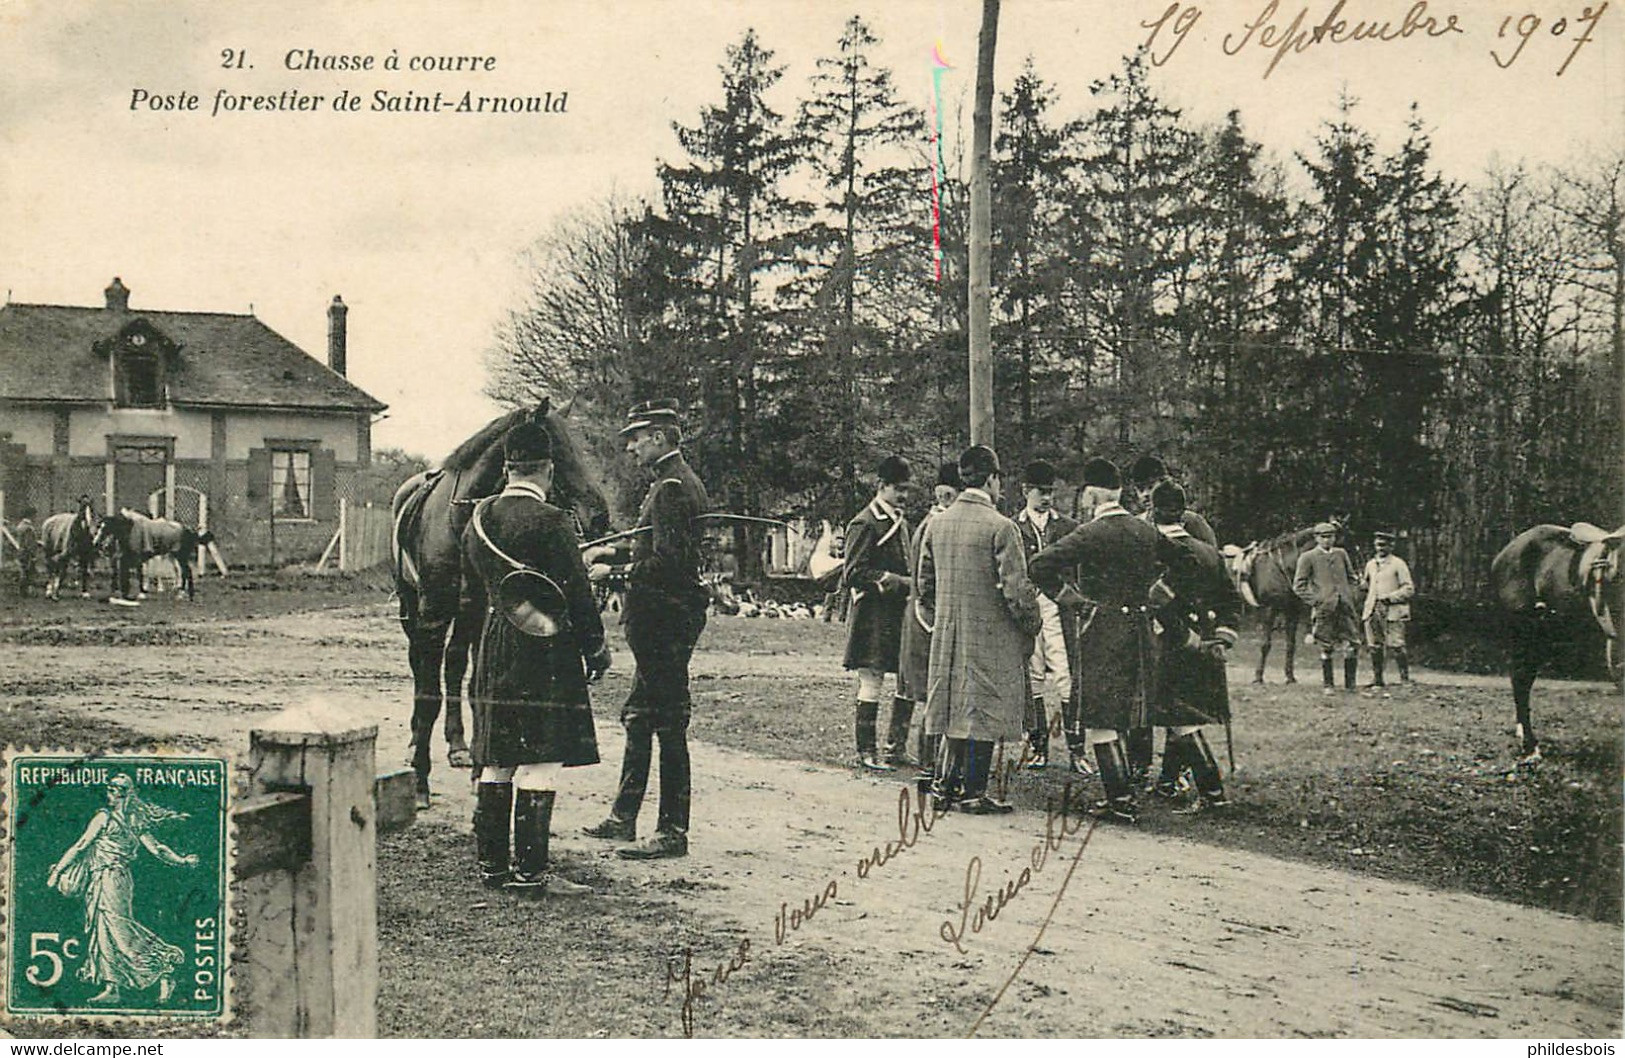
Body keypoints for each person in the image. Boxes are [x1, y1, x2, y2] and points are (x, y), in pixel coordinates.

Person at [462, 419, 610, 894]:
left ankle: (493, 870)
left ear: (508, 469)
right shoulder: (553, 522)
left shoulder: (479, 519)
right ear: (546, 469)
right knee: (540, 760)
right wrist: (597, 648)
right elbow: (579, 596)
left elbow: (472, 592)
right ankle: (531, 874)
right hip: (543, 647)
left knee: (497, 759)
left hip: (492, 644)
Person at [583, 399, 710, 860]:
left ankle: (672, 831)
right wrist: (608, 555)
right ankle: (623, 818)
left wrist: (613, 575)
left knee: (668, 721)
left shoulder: (673, 487)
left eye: (635, 438)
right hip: (661, 619)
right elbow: (652, 548)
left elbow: (667, 563)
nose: (631, 447)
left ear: (658, 437)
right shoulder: (670, 483)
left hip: (665, 620)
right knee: (639, 716)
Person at [1030, 457, 1162, 823]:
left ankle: (1120, 801)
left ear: (1092, 493)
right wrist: (1156, 596)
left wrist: (1073, 601)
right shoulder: (1145, 530)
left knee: (1103, 717)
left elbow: (1039, 566)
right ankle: (1127, 791)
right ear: (1119, 491)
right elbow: (1185, 563)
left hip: (1101, 629)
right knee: (1130, 712)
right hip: (1140, 629)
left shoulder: (1091, 532)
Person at [918, 445, 1041, 814]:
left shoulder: (936, 524)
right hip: (991, 633)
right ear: (991, 479)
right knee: (983, 710)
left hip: (948, 630)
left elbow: (924, 583)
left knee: (953, 703)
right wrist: (1030, 625)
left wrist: (944, 613)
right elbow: (1017, 591)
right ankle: (973, 792)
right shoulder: (1001, 527)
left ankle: (942, 786)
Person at [46, 774, 197, 1003]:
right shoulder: (132, 820)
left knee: (119, 930)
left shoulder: (105, 818)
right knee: (104, 930)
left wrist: (58, 871)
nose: (107, 793)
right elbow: (158, 849)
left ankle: (164, 970)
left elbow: (80, 846)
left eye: (110, 789)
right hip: (108, 878)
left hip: (112, 878)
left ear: (119, 793)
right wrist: (182, 860)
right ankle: (112, 988)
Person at [1146, 481, 1243, 814]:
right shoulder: (1209, 552)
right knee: (1181, 715)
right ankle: (1168, 782)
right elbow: (1232, 601)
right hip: (1203, 644)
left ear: (1154, 510)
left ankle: (1213, 792)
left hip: (1165, 645)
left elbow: (1156, 602)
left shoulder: (1152, 550)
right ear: (1183, 513)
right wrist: (1223, 636)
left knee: (1180, 718)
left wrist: (1182, 634)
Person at [841, 455, 914, 772]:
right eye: (898, 489)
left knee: (905, 680)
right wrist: (898, 582)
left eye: (906, 490)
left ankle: (895, 748)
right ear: (881, 486)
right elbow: (854, 573)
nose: (903, 496)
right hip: (873, 615)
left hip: (898, 614)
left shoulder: (900, 522)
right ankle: (866, 751)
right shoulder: (865, 522)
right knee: (872, 681)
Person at [1012, 460, 1079, 771]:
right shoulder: (1013, 527)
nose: (1047, 497)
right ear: (1026, 491)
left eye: (1051, 491)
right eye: (1041, 491)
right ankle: (1037, 746)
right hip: (1028, 609)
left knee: (1066, 675)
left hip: (1059, 609)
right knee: (1033, 676)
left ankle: (1077, 750)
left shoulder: (1067, 526)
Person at [899, 461, 960, 781]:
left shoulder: (934, 523)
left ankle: (933, 761)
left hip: (929, 613)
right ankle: (929, 763)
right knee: (934, 693)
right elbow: (925, 581)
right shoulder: (933, 526)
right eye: (948, 494)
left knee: (935, 692)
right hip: (928, 616)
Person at [1294, 521, 1363, 696]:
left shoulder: (1341, 553)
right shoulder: (1307, 557)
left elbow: (1352, 577)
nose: (1327, 540)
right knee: (1326, 646)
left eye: (1330, 536)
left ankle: (1350, 685)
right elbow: (1299, 586)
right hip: (1324, 608)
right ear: (1316, 538)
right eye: (1323, 537)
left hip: (1345, 606)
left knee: (1352, 644)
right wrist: (1317, 600)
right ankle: (1328, 685)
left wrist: (1352, 595)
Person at [1361, 529, 1415, 688]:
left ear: (1392, 546)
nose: (1380, 548)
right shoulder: (1370, 564)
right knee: (1374, 645)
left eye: (1384, 545)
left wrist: (1390, 597)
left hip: (1393, 610)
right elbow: (1367, 585)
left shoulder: (1398, 564)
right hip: (1372, 609)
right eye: (1378, 545)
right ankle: (1377, 679)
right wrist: (1362, 586)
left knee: (1397, 644)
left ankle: (1404, 678)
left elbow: (1409, 589)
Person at [13, 511, 39, 598]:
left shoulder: (20, 526)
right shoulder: (29, 528)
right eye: (34, 516)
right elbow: (29, 543)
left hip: (21, 551)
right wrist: (33, 555)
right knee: (28, 572)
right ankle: (25, 592)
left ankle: (23, 591)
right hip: (27, 553)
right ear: (31, 516)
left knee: (23, 571)